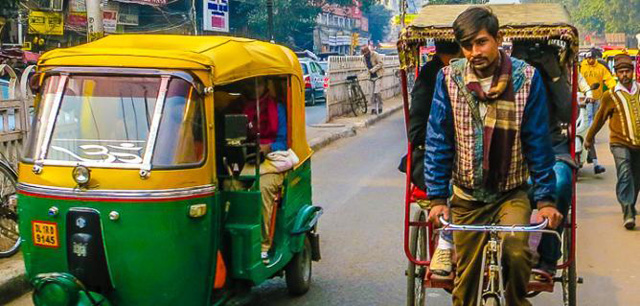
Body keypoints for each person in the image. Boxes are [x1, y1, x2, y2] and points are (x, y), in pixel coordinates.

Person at [424, 7, 562, 305]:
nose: (475, 52)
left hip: (511, 193)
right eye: (467, 45)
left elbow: (537, 141)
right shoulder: (448, 79)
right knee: (465, 285)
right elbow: (439, 139)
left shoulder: (527, 78)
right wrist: (437, 199)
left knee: (516, 251)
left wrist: (546, 200)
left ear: (498, 39)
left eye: (482, 42)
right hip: (466, 195)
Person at [511, 42, 575, 279]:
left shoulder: (553, 77)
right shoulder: (506, 76)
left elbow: (568, 114)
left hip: (551, 145)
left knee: (559, 185)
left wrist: (554, 75)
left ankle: (548, 255)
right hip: (514, 145)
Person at [399, 41, 462, 276]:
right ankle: (446, 244)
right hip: (430, 155)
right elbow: (416, 133)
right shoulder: (430, 79)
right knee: (454, 186)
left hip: (467, 155)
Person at [234, 78, 288, 262]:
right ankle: (236, 239)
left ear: (266, 86)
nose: (254, 89)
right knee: (229, 184)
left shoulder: (277, 109)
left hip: (272, 163)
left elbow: (285, 141)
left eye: (258, 84)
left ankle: (263, 244)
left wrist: (268, 147)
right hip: (246, 162)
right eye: (250, 84)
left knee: (262, 187)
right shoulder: (240, 108)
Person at [585, 54, 640, 230]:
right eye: (621, 72)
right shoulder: (611, 96)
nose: (625, 75)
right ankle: (628, 211)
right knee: (624, 173)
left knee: (636, 177)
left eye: (628, 71)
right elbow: (599, 118)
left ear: (633, 72)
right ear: (617, 74)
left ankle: (630, 202)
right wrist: (589, 137)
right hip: (619, 142)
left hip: (638, 144)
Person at [580, 48, 616, 174]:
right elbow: (578, 81)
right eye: (588, 58)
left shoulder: (601, 68)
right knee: (590, 122)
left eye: (592, 58)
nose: (589, 60)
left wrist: (616, 91)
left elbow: (609, 80)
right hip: (584, 101)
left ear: (595, 58)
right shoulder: (581, 67)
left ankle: (591, 140)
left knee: (595, 122)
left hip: (598, 99)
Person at [361, 46, 384, 114]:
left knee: (377, 92)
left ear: (368, 52)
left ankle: (380, 107)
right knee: (371, 94)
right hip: (370, 77)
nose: (365, 55)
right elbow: (366, 66)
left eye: (366, 53)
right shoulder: (363, 58)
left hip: (378, 75)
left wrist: (373, 69)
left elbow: (381, 63)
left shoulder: (375, 55)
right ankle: (373, 108)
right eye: (364, 54)